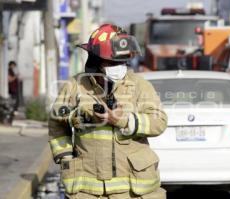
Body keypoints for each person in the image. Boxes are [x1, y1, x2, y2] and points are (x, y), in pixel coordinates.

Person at [48, 24, 168, 199]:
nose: (118, 67)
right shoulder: (75, 86)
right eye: (112, 62)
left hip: (132, 190)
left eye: (122, 62)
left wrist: (125, 121)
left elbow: (159, 122)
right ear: (95, 62)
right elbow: (56, 123)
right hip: (87, 189)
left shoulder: (140, 86)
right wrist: (65, 156)